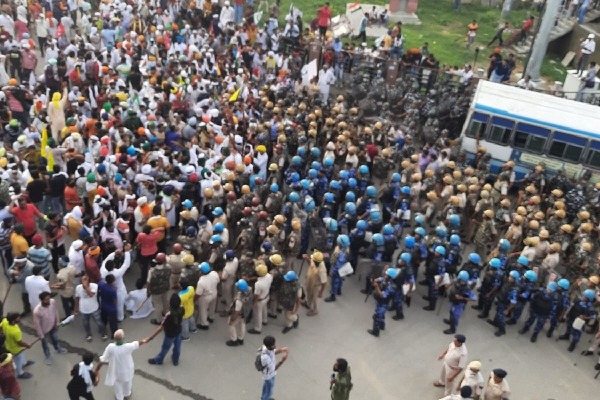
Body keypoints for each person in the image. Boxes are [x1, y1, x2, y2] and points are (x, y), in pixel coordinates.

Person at [94, 329, 149, 400]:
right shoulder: (128, 347)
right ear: (123, 338)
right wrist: (147, 339)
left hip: (115, 371)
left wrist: (97, 369)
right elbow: (138, 343)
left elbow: (103, 359)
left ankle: (119, 397)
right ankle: (127, 394)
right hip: (127, 370)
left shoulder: (110, 347)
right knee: (127, 382)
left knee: (117, 385)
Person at [146, 293, 184, 366]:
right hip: (178, 331)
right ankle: (175, 360)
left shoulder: (168, 314)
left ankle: (159, 360)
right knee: (177, 347)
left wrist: (151, 337)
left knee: (165, 348)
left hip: (170, 334)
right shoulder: (182, 309)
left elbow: (161, 327)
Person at [33, 291, 68, 365]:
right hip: (44, 331)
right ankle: (48, 356)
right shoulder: (37, 311)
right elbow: (37, 324)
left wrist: (57, 323)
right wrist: (41, 335)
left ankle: (58, 349)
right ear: (41, 300)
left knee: (55, 339)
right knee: (45, 344)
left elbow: (55, 311)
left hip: (53, 326)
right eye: (46, 299)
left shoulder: (52, 302)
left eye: (49, 298)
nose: (48, 301)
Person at [74, 275, 107, 342]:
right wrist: (75, 309)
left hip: (94, 308)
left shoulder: (94, 286)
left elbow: (91, 295)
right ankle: (88, 334)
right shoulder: (78, 287)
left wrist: (86, 287)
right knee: (85, 323)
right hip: (83, 310)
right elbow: (77, 298)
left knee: (99, 322)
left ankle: (103, 333)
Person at [0, 312, 33, 379]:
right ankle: (20, 373)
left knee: (20, 357)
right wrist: (27, 345)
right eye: (17, 319)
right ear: (13, 321)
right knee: (18, 360)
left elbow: (0, 326)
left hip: (8, 345)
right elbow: (19, 343)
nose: (19, 319)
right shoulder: (15, 331)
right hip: (17, 349)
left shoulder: (5, 321)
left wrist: (2, 332)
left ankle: (24, 363)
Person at [257, 335, 288, 400]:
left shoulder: (265, 347)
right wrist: (282, 361)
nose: (275, 345)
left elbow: (273, 352)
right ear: (269, 346)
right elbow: (274, 368)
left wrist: (281, 350)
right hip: (269, 375)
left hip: (269, 374)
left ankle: (263, 398)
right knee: (269, 392)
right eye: (273, 345)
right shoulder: (265, 358)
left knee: (266, 387)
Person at [226, 279, 252, 346]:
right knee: (242, 325)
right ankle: (241, 339)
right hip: (246, 312)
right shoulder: (250, 289)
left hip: (239, 314)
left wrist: (232, 319)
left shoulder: (239, 300)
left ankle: (234, 340)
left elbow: (237, 312)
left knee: (231, 325)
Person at [304, 250, 327, 316]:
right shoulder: (315, 260)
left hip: (316, 285)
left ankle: (315, 310)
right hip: (310, 281)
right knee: (308, 292)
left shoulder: (322, 270)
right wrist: (307, 258)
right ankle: (308, 304)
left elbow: (324, 282)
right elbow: (310, 263)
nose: (312, 260)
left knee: (314, 298)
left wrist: (321, 292)